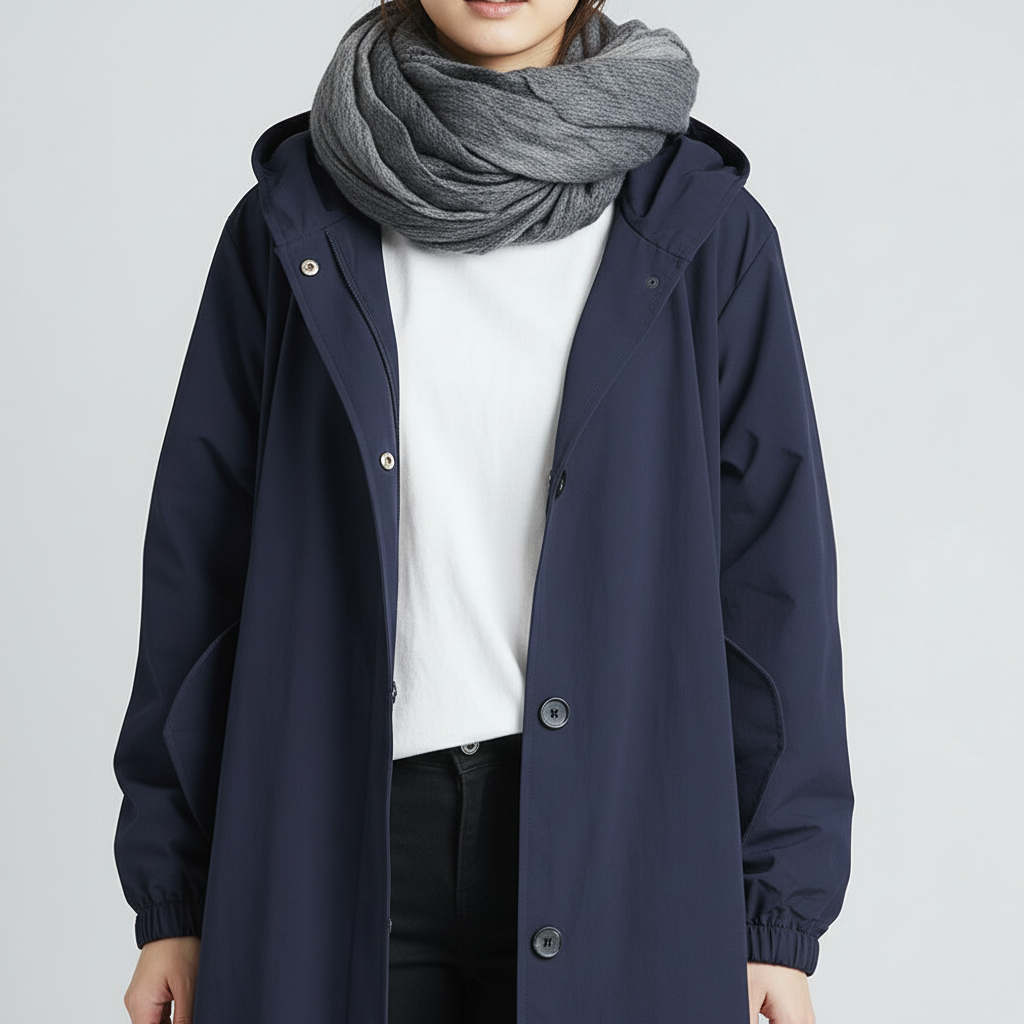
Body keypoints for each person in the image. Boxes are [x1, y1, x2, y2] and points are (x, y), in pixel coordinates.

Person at [113, 1, 854, 1022]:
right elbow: (199, 565)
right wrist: (173, 896)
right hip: (333, 833)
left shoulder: (702, 226)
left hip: (620, 836)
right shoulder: (292, 218)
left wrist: (774, 911)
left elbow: (774, 582)